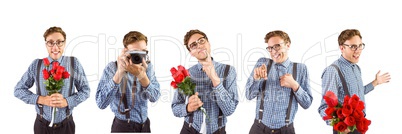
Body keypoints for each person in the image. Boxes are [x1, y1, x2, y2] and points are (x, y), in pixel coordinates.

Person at [14, 26, 90, 134]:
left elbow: (86, 91)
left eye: (59, 42)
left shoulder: (74, 63)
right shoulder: (37, 65)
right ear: (46, 44)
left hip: (66, 125)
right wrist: (40, 99)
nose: (55, 47)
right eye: (50, 42)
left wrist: (67, 101)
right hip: (42, 126)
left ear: (64, 43)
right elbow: (18, 90)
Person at [318, 29, 391, 134]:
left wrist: (375, 82)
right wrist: (339, 126)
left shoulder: (356, 68)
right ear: (342, 48)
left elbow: (358, 93)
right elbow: (324, 107)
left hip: (359, 125)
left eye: (360, 45)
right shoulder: (333, 71)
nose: (358, 50)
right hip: (345, 129)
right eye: (353, 47)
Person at [171, 29, 238, 134]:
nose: (199, 46)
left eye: (201, 41)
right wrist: (188, 107)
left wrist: (215, 79)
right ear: (191, 53)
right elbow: (175, 108)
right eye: (193, 45)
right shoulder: (186, 74)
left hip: (218, 131)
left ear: (208, 43)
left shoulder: (228, 71)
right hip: (190, 129)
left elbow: (229, 110)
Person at [245, 30, 313, 134]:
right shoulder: (262, 63)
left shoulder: (300, 69)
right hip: (259, 128)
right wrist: (256, 80)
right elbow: (248, 95)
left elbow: (307, 103)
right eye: (270, 48)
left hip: (286, 130)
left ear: (288, 45)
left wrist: (295, 86)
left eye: (277, 46)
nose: (273, 51)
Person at [96, 31, 160, 133]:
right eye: (135, 53)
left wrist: (142, 76)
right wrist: (119, 73)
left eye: (143, 52)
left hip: (145, 125)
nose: (139, 57)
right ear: (125, 51)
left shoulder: (148, 67)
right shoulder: (112, 68)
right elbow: (101, 103)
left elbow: (155, 97)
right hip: (123, 126)